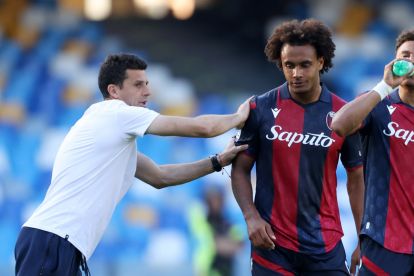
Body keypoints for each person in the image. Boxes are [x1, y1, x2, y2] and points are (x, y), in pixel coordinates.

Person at [14, 53, 251, 276]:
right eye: (138, 85)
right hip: (52, 239)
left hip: (56, 241)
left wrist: (217, 161)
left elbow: (160, 177)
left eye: (147, 84)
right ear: (114, 91)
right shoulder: (116, 114)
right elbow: (202, 128)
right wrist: (238, 118)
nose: (148, 92)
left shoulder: (110, 128)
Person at [231, 19, 365, 275]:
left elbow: (356, 179)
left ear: (321, 62)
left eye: (305, 65)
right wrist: (251, 218)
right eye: (289, 65)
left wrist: (362, 238)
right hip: (272, 245)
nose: (296, 73)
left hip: (324, 246)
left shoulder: (343, 114)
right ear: (280, 64)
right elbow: (239, 170)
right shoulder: (259, 109)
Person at [331, 29, 414, 275]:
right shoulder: (378, 105)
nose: (411, 62)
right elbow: (339, 125)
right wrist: (383, 86)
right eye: (405, 55)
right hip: (383, 240)